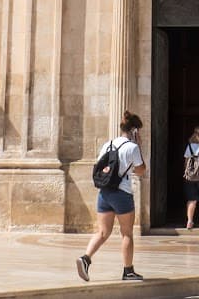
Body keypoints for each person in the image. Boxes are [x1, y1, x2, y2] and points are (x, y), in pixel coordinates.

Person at [78, 111, 147, 283]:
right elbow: (141, 170)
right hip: (122, 193)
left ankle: (85, 258)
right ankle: (128, 271)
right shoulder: (132, 147)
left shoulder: (108, 144)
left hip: (105, 192)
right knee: (127, 234)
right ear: (135, 130)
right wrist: (139, 147)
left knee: (102, 231)